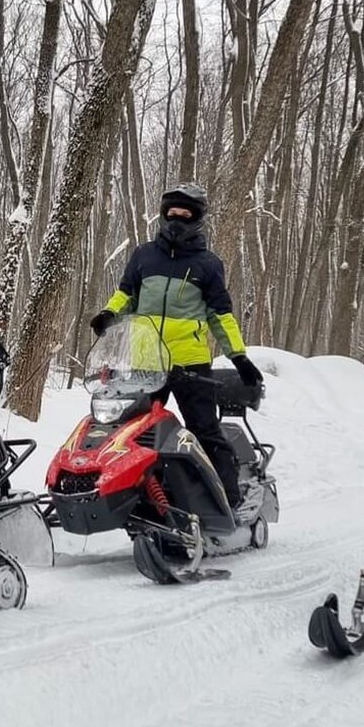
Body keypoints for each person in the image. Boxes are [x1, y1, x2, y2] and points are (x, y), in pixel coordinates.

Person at [90, 183, 263, 519]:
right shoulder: (144, 256)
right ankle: (136, 495)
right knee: (129, 430)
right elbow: (127, 294)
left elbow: (220, 315)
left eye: (186, 215)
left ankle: (229, 499)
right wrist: (110, 313)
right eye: (172, 213)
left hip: (190, 364)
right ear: (162, 214)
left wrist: (238, 356)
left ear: (198, 220)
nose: (177, 221)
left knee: (202, 429)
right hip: (146, 362)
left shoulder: (208, 264)